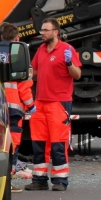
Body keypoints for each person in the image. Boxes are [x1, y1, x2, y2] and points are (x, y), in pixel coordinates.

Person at [25, 18, 82, 191]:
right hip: (40, 102)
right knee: (39, 142)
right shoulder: (41, 50)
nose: (42, 33)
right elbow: (33, 71)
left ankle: (60, 181)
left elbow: (77, 75)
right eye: (42, 30)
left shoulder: (67, 50)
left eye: (45, 30)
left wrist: (69, 63)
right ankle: (39, 180)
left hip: (59, 102)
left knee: (58, 142)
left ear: (56, 32)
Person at [0, 23, 35, 191]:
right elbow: (23, 86)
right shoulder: (18, 55)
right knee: (12, 145)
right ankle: (7, 183)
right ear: (17, 38)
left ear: (1, 37)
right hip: (13, 109)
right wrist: (31, 106)